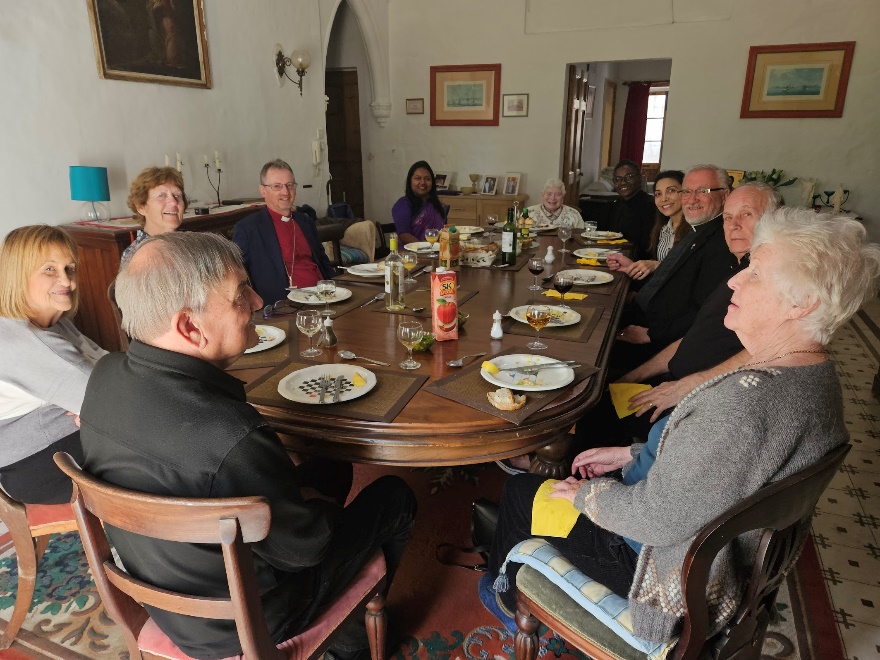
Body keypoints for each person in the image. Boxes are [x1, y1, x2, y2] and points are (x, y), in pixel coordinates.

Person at [481, 208, 880, 643]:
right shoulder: (818, 380)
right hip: (705, 543)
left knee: (523, 492)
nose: (734, 280)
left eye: (756, 273)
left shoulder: (741, 407)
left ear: (803, 303)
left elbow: (657, 519)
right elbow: (724, 467)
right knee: (569, 473)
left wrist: (588, 494)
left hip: (664, 571)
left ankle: (502, 593)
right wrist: (632, 455)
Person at [79, 232, 417, 659]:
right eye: (241, 293)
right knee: (396, 496)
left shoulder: (105, 375)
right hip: (249, 618)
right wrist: (318, 513)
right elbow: (305, 551)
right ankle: (353, 647)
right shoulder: (230, 437)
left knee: (331, 468)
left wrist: (304, 500)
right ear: (189, 326)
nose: (258, 301)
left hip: (167, 595)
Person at [574, 182, 782, 450]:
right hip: (675, 379)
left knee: (593, 409)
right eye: (728, 218)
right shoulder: (738, 270)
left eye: (747, 214)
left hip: (699, 402)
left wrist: (684, 388)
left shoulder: (771, 280)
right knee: (598, 386)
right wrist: (635, 376)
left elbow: (772, 350)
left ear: (774, 220)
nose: (733, 226)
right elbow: (693, 338)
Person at [0, 225, 107, 504]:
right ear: (17, 276)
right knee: (156, 440)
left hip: (59, 444)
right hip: (40, 465)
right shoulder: (21, 339)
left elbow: (103, 363)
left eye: (69, 269)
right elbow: (106, 399)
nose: (68, 281)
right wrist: (98, 407)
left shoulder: (54, 323)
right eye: (50, 270)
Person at [614, 165, 735, 363]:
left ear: (725, 195)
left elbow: (704, 311)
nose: (692, 199)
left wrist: (651, 334)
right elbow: (670, 278)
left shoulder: (721, 242)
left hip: (660, 338)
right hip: (649, 317)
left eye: (703, 191)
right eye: (687, 192)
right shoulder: (697, 229)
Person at [232, 159, 336, 305]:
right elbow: (238, 279)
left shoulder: (305, 222)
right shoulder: (248, 229)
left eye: (289, 185)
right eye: (277, 186)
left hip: (324, 299)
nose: (285, 192)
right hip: (283, 307)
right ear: (263, 190)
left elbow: (324, 263)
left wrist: (337, 288)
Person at [606, 170, 687, 280]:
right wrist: (632, 266)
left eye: (671, 191)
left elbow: (690, 277)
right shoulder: (663, 229)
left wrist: (657, 265)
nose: (664, 199)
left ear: (686, 192)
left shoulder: (694, 232)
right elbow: (659, 278)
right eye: (658, 194)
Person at [121, 166, 187, 262]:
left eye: (177, 195)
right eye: (161, 196)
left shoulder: (186, 244)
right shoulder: (138, 256)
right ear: (141, 207)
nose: (174, 202)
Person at [604, 160, 656, 260]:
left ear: (639, 178)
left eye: (629, 177)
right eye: (617, 179)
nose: (623, 182)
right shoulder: (616, 204)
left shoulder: (651, 206)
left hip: (638, 264)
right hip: (616, 258)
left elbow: (647, 246)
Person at [392, 161, 448, 244]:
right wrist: (425, 248)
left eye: (427, 179)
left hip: (438, 253)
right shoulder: (403, 204)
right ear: (410, 181)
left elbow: (444, 232)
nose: (423, 182)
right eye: (418, 178)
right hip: (412, 254)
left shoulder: (437, 206)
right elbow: (404, 236)